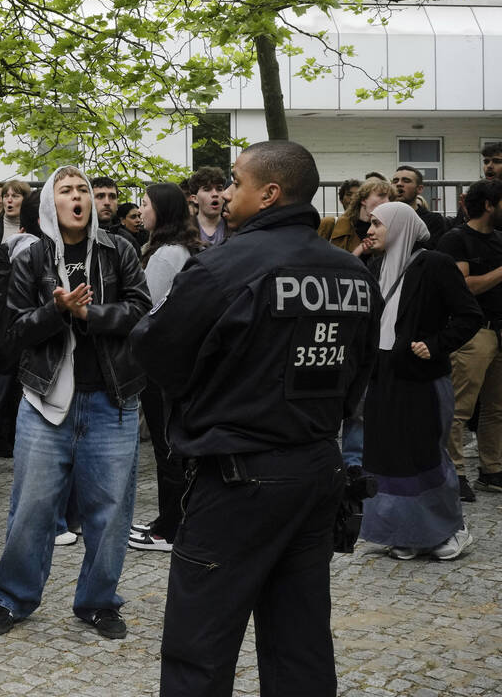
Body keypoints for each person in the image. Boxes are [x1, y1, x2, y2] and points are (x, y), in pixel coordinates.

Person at [131, 140, 380, 697]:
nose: (222, 193)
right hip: (317, 470)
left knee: (200, 644)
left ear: (269, 194)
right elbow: (358, 376)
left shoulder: (223, 267)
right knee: (301, 640)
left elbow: (155, 352)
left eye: (235, 183)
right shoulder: (354, 275)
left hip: (238, 479)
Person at [0, 166, 151, 640]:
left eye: (83, 190)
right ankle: (12, 600)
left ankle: (98, 603)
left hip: (111, 400)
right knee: (32, 508)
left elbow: (142, 311)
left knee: (111, 511)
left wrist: (91, 314)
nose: (77, 197)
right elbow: (14, 331)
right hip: (45, 401)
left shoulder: (119, 249)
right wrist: (57, 312)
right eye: (66, 191)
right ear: (50, 204)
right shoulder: (32, 257)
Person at [359, 202, 479, 561]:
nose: (371, 230)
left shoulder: (435, 264)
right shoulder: (376, 264)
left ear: (399, 226)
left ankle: (450, 528)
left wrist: (435, 344)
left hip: (419, 377)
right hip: (383, 376)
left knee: (424, 456)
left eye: (378, 223)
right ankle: (405, 532)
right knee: (389, 457)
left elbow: (468, 314)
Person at [127, 184, 203, 555]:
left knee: (166, 448)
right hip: (181, 364)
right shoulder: (181, 250)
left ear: (162, 210)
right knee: (171, 446)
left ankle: (169, 528)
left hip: (163, 367)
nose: (140, 210)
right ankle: (166, 520)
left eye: (145, 204)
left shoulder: (164, 256)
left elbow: (148, 313)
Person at [435, 177, 502, 503]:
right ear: (489, 205)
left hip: (499, 333)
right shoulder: (456, 239)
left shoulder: (500, 240)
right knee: (458, 409)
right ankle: (455, 472)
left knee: (496, 409)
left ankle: (492, 469)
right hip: (472, 335)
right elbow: (466, 287)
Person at [318, 178, 395, 257]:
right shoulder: (330, 224)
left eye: (390, 198)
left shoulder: (388, 231)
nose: (387, 202)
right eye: (381, 195)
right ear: (363, 200)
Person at [391, 165, 447, 246]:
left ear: (419, 189)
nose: (399, 184)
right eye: (395, 181)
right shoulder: (382, 217)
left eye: (406, 180)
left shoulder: (433, 220)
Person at [188, 166, 228, 248]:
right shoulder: (184, 230)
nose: (215, 194)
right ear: (195, 198)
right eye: (207, 189)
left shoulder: (235, 228)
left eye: (219, 189)